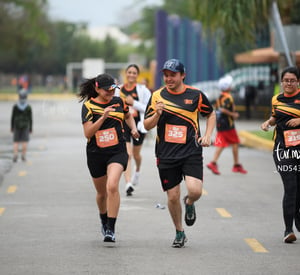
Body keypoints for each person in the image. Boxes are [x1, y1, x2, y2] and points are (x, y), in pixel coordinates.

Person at [144, 59, 215, 248]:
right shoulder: (156, 96)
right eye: (166, 75)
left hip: (191, 151)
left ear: (182, 75)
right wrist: (157, 114)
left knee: (195, 190)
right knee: (172, 196)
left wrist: (207, 135)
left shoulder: (195, 95)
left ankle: (190, 202)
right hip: (166, 154)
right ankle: (179, 232)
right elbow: (146, 125)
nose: (168, 78)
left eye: (173, 75)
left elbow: (211, 113)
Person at [261, 66, 300, 243]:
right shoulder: (277, 99)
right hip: (283, 148)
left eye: (292, 80)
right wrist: (268, 122)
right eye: (286, 80)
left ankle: (296, 211)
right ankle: (288, 230)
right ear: (281, 82)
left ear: (298, 82)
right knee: (290, 187)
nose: (288, 83)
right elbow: (276, 116)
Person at [78, 73, 139, 243]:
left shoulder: (119, 102)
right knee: (101, 193)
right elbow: (88, 133)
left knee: (112, 186)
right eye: (107, 91)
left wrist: (133, 129)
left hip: (117, 151)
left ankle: (111, 229)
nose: (111, 93)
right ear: (97, 88)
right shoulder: (88, 106)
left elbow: (128, 115)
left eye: (113, 90)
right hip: (96, 153)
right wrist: (103, 117)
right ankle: (103, 219)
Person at [117, 64, 152, 196]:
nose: (131, 75)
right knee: (128, 154)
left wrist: (134, 103)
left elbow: (149, 109)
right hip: (124, 123)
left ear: (138, 75)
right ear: (126, 74)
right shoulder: (118, 89)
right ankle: (128, 183)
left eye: (134, 73)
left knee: (136, 154)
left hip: (139, 125)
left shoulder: (143, 90)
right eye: (129, 72)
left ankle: (137, 171)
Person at [206, 75, 247, 175]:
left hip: (220, 123)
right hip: (227, 124)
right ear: (227, 87)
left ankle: (215, 163)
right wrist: (233, 114)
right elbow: (223, 109)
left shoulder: (220, 97)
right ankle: (235, 165)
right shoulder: (228, 97)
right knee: (234, 142)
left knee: (223, 143)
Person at [11, 89, 32, 162]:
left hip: (16, 125)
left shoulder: (15, 106)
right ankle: (23, 155)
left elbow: (13, 117)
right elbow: (30, 119)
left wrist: (12, 127)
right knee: (24, 141)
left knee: (16, 141)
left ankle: (15, 155)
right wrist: (31, 128)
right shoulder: (28, 107)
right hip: (25, 126)